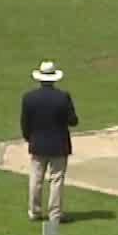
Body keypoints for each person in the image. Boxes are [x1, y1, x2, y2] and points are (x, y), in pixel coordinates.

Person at [20, 61, 78, 223]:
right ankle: (55, 214)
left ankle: (34, 211)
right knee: (56, 179)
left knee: (36, 178)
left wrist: (28, 138)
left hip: (38, 143)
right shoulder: (63, 97)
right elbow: (73, 121)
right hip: (59, 144)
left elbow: (25, 122)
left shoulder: (29, 98)